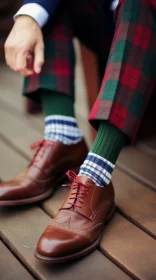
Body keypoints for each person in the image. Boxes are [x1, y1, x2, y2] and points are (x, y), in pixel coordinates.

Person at [1, 0, 156, 263]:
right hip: (114, 30)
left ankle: (97, 171)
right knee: (51, 8)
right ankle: (62, 137)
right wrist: (29, 15)